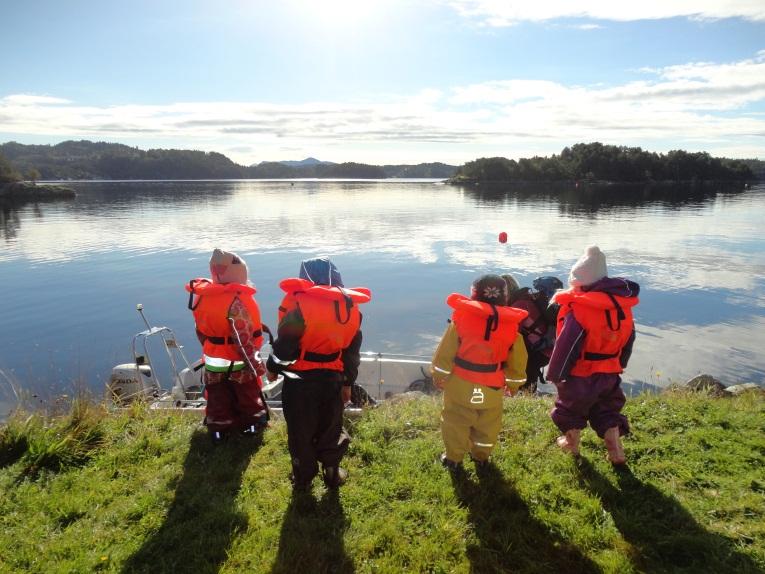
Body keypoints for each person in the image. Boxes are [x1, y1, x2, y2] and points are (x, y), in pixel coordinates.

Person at [266, 257, 370, 491]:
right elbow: (351, 352)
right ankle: (332, 473)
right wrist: (347, 382)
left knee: (300, 431)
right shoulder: (349, 306)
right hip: (332, 379)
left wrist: (272, 368)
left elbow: (286, 346)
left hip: (299, 382)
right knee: (331, 426)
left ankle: (303, 479)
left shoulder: (298, 304)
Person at [546, 245, 640, 465]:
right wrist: (620, 364)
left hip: (581, 375)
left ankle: (571, 445)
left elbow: (566, 345)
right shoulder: (622, 308)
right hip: (610, 373)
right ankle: (615, 451)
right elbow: (629, 340)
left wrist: (556, 374)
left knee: (570, 409)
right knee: (607, 410)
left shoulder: (579, 309)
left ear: (580, 282)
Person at [431, 274, 528, 470]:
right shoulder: (511, 327)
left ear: (474, 296)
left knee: (455, 421)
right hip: (491, 387)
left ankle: (453, 459)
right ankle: (481, 457)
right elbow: (517, 361)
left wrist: (439, 375)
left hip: (460, 384)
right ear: (505, 298)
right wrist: (514, 384)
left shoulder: (461, 319)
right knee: (488, 424)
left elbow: (445, 352)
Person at [186, 249, 269, 444]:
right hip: (237, 358)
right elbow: (242, 338)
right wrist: (255, 365)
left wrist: (211, 348)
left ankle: (218, 430)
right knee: (247, 394)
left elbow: (200, 329)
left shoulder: (201, 296)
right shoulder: (237, 300)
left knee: (217, 396)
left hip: (213, 358)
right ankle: (252, 426)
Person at [502, 274, 563, 393]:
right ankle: (528, 391)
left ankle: (525, 393)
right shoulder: (527, 299)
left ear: (506, 292)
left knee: (524, 366)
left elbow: (512, 335)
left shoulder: (518, 306)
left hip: (540, 350)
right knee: (529, 369)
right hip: (547, 346)